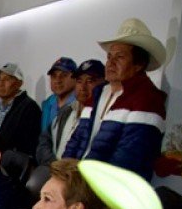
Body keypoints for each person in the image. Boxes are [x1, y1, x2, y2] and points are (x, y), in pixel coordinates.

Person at [63, 18, 167, 181]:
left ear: (138, 64)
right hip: (81, 185)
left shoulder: (148, 99)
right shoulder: (98, 94)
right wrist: (64, 173)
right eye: (109, 56)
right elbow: (77, 140)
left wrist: (86, 185)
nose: (110, 63)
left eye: (119, 57)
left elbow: (129, 158)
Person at [36, 60, 106, 166]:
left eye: (90, 81)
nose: (83, 87)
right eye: (79, 81)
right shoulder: (66, 111)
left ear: (104, 83)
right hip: (58, 174)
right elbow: (45, 140)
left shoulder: (105, 116)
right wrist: (55, 166)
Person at [0, 63, 42, 158]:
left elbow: (29, 145)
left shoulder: (29, 107)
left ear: (19, 83)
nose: (1, 84)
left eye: (6, 79)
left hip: (13, 165)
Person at [40, 57, 78, 131]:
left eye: (64, 75)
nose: (58, 80)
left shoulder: (81, 104)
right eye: (54, 76)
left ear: (75, 78)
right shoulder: (47, 104)